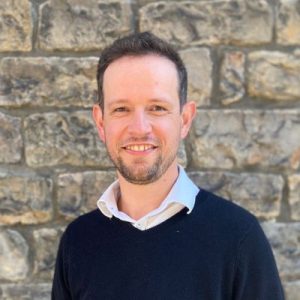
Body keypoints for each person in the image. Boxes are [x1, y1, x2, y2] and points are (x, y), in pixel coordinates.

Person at [52, 32, 284, 299]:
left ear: (185, 119)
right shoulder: (78, 241)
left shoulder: (238, 238)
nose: (139, 128)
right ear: (101, 122)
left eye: (157, 108)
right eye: (121, 109)